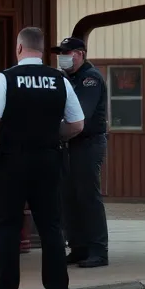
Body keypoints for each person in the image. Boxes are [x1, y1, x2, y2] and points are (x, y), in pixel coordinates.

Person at [0, 27, 85, 289]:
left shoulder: (6, 78)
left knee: (8, 228)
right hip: (49, 161)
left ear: (20, 48)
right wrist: (50, 135)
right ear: (40, 50)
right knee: (51, 228)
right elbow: (77, 125)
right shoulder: (59, 79)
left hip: (12, 161)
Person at [52, 36, 109, 268]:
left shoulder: (89, 79)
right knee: (69, 197)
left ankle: (98, 250)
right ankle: (78, 247)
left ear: (80, 54)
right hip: (69, 144)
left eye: (68, 53)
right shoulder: (69, 78)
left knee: (88, 196)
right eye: (61, 53)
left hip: (88, 143)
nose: (63, 57)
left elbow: (80, 117)